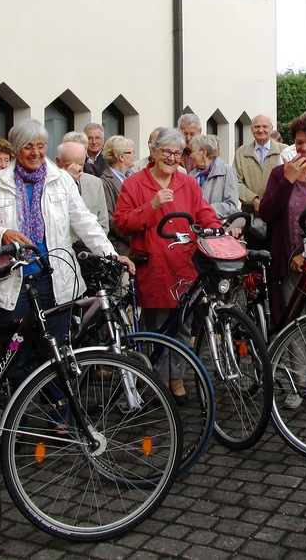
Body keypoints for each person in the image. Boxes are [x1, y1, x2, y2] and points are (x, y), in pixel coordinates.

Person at [0, 120, 130, 345]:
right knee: (16, 350)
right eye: (28, 147)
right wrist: (2, 233)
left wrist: (110, 255)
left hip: (55, 279)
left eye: (40, 146)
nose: (35, 153)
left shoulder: (61, 179)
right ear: (15, 149)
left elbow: (85, 221)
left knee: (56, 349)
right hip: (13, 280)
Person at [113, 127, 219, 403]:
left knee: (183, 325)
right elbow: (122, 223)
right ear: (153, 152)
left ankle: (177, 378)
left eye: (177, 153)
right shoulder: (134, 183)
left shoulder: (188, 184)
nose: (172, 158)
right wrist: (151, 206)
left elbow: (205, 213)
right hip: (154, 266)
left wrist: (219, 230)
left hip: (184, 265)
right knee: (157, 327)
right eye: (166, 152)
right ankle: (159, 381)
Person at [258, 112, 306, 328]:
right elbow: (266, 213)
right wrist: (288, 180)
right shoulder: (279, 173)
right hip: (287, 262)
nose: (304, 148)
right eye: (299, 142)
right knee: (292, 325)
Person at [232, 114, 282, 216]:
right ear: (251, 129)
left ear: (271, 129)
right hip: (250, 213)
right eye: (257, 126)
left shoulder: (284, 151)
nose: (260, 130)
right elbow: (235, 181)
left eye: (265, 126)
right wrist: (253, 200)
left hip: (279, 213)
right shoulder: (241, 152)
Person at [55, 140, 109, 235]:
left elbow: (103, 223)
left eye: (80, 164)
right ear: (58, 162)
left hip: (91, 241)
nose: (77, 169)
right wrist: (67, 180)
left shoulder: (95, 183)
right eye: (70, 165)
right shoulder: (51, 184)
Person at [98, 135, 135, 255]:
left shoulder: (133, 177)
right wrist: (135, 239)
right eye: (131, 152)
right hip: (121, 248)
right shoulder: (104, 182)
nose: (134, 156)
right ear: (121, 156)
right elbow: (109, 219)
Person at [188, 134, 240, 219]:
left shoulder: (227, 172)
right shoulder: (191, 176)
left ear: (203, 152)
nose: (190, 156)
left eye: (192, 151)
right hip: (195, 224)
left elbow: (231, 205)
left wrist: (204, 211)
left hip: (218, 224)